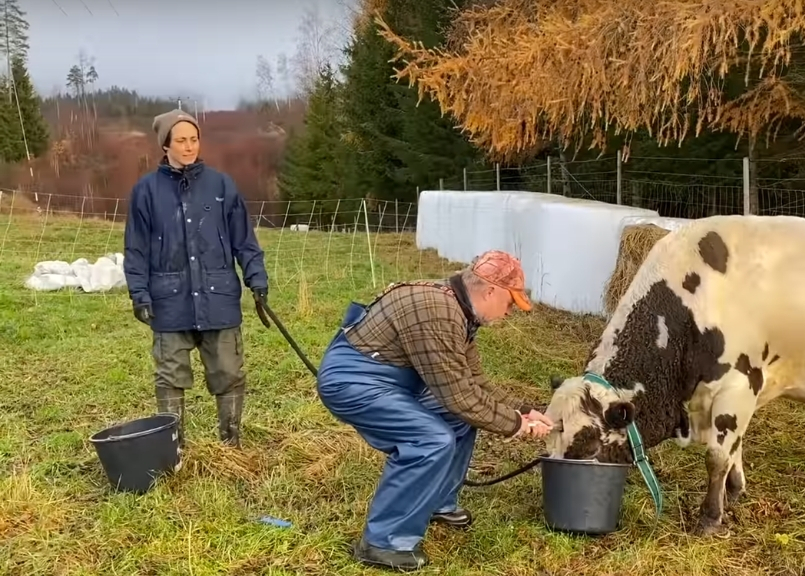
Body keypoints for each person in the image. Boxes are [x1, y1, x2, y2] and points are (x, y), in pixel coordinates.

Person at [316, 250, 554, 571]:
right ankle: (383, 542)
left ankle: (436, 502)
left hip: (393, 378)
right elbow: (459, 396)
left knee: (457, 422)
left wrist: (524, 410)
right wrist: (515, 425)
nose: (510, 311)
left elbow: (474, 382)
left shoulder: (458, 309)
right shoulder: (437, 311)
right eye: (510, 302)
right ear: (490, 291)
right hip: (354, 381)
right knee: (431, 439)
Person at [123, 108, 269, 448]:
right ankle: (175, 448)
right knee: (170, 376)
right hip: (168, 300)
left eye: (194, 139)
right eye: (181, 140)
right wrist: (139, 293)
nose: (189, 147)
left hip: (218, 296)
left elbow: (243, 239)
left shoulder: (221, 185)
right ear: (165, 145)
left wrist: (256, 278)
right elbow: (136, 249)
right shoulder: (146, 191)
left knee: (229, 373)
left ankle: (230, 444)